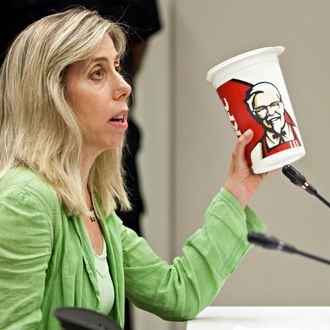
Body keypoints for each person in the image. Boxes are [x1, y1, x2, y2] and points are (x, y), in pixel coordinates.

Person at [0, 8, 268, 330]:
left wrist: (238, 189)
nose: (124, 85)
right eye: (97, 73)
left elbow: (177, 294)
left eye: (117, 67)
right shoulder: (24, 201)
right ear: (52, 95)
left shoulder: (94, 207)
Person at [245, 82, 302, 159]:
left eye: (274, 104)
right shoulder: (257, 152)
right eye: (261, 108)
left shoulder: (301, 135)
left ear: (282, 105)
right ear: (255, 115)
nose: (270, 112)